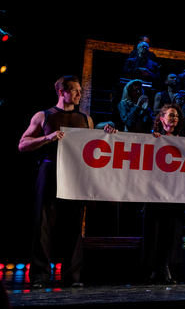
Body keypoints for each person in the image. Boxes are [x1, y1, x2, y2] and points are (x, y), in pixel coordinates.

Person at [18, 75, 114, 289]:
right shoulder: (44, 115)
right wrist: (47, 138)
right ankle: (40, 276)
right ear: (62, 92)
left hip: (75, 174)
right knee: (43, 224)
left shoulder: (86, 119)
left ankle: (72, 275)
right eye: (76, 90)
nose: (80, 94)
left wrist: (107, 133)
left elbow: (95, 146)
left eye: (81, 90)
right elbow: (23, 144)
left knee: (74, 225)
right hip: (50, 169)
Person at [142, 104, 185, 284]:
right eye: (170, 115)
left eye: (176, 116)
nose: (174, 118)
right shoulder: (152, 138)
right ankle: (152, 269)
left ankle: (165, 267)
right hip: (154, 192)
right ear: (161, 119)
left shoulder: (183, 141)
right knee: (154, 230)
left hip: (174, 193)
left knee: (170, 231)